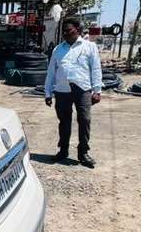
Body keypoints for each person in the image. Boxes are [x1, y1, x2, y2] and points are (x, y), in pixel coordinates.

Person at [43, 19, 102, 167]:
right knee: (64, 122)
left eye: (69, 30)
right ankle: (63, 151)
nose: (65, 33)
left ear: (78, 30)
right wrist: (48, 92)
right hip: (62, 90)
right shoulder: (58, 49)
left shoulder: (89, 47)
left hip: (82, 89)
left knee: (84, 120)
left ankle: (83, 153)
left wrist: (97, 90)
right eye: (63, 30)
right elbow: (51, 72)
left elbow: (95, 69)